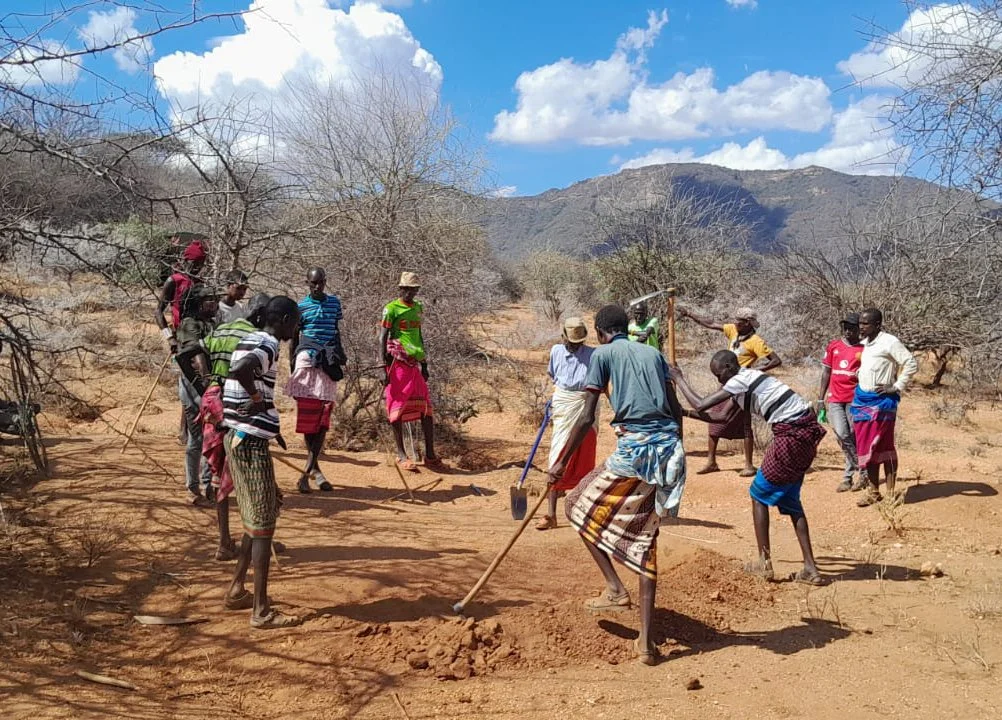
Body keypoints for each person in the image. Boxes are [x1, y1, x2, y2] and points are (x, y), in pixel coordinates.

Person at [550, 305, 686, 666]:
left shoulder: (603, 355)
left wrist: (561, 462)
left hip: (635, 452)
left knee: (575, 504)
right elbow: (676, 412)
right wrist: (675, 454)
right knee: (646, 536)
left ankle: (614, 587)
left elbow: (587, 413)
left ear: (599, 331)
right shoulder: (654, 353)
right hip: (668, 451)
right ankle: (644, 644)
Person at [673, 351, 825, 585]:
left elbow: (702, 403)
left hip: (791, 435)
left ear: (729, 367)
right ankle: (810, 569)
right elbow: (719, 417)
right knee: (791, 501)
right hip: (803, 434)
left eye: (719, 375)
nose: (718, 381)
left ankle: (764, 564)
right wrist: (683, 412)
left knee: (758, 494)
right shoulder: (745, 384)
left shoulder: (741, 379)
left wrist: (679, 378)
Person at [222, 295, 301, 629]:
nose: (296, 328)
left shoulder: (250, 338)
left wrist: (267, 417)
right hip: (248, 441)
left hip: (241, 437)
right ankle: (261, 610)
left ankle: (238, 589)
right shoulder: (267, 343)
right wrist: (257, 401)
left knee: (255, 518)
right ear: (283, 319)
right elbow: (240, 370)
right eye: (295, 322)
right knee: (264, 522)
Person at [192, 293, 270, 561]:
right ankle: (258, 540)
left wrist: (206, 381)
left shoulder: (222, 329)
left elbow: (192, 350)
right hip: (239, 409)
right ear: (261, 315)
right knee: (251, 475)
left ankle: (224, 541)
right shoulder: (254, 337)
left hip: (213, 404)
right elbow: (244, 372)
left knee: (219, 474)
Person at [678, 306, 781, 476]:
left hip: (742, 385)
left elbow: (776, 360)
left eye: (739, 321)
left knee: (745, 424)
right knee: (714, 418)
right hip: (727, 383)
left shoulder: (756, 341)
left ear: (748, 323)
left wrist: (755, 372)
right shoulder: (733, 330)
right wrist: (689, 313)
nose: (735, 323)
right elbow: (710, 323)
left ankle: (748, 465)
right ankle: (711, 461)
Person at [286, 267, 345, 493]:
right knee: (309, 415)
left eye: (320, 282)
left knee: (323, 417)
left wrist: (340, 354)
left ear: (325, 282)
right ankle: (315, 469)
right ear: (307, 283)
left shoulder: (334, 304)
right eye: (313, 283)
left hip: (328, 359)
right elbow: (294, 338)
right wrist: (292, 366)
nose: (317, 286)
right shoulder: (300, 307)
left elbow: (336, 330)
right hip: (306, 358)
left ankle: (309, 469)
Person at [378, 272, 444, 471]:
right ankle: (401, 454)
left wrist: (424, 364)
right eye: (406, 289)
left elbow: (418, 335)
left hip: (414, 362)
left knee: (425, 408)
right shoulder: (391, 309)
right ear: (400, 289)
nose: (409, 292)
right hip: (397, 362)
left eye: (413, 289)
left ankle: (430, 455)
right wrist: (382, 365)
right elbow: (382, 337)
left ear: (417, 291)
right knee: (397, 407)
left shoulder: (417, 308)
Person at [536, 317, 598, 531]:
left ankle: (584, 512)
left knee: (585, 457)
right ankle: (551, 515)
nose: (574, 344)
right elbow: (554, 376)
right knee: (557, 457)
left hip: (586, 404)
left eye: (578, 341)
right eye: (571, 340)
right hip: (564, 404)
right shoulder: (555, 351)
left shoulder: (594, 354)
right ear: (563, 336)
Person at [852, 309, 918, 508]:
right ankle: (873, 491)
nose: (861, 327)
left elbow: (911, 363)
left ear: (877, 324)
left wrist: (896, 386)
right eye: (860, 323)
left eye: (866, 323)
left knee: (884, 446)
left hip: (882, 403)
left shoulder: (889, 341)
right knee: (868, 448)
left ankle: (890, 494)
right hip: (863, 401)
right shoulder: (865, 344)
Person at [156, 237, 208, 446]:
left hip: (200, 336)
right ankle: (184, 431)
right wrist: (169, 338)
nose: (197, 268)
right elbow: (158, 312)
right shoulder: (174, 281)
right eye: (195, 264)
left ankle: (188, 430)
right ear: (186, 261)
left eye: (201, 265)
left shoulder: (200, 284)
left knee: (198, 381)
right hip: (181, 336)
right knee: (190, 380)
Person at [174, 285, 219, 504]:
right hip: (193, 385)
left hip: (208, 386)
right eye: (209, 300)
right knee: (196, 439)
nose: (214, 303)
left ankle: (207, 483)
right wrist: (204, 385)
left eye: (215, 299)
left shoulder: (212, 324)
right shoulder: (189, 324)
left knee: (210, 438)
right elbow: (194, 355)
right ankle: (193, 488)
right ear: (198, 303)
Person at [818, 313, 865, 493]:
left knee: (853, 435)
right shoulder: (834, 346)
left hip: (855, 398)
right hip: (835, 398)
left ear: (858, 329)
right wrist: (820, 399)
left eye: (851, 328)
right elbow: (826, 373)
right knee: (841, 434)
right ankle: (862, 468)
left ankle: (848, 477)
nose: (847, 331)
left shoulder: (864, 348)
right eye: (845, 328)